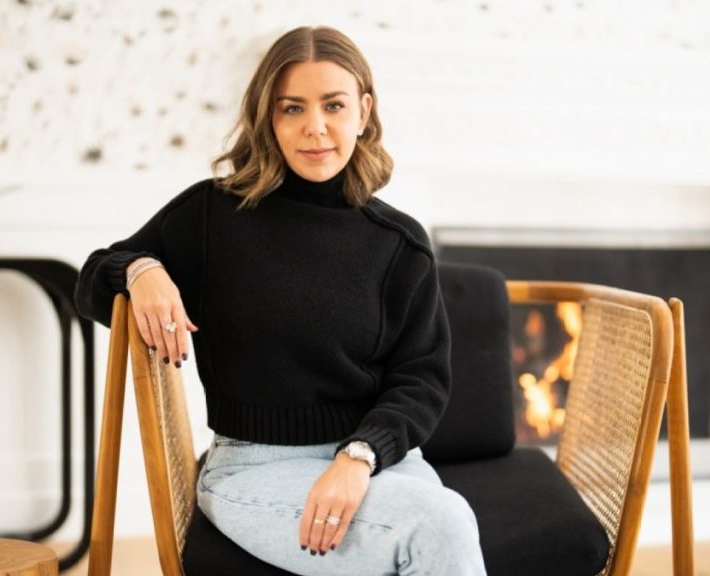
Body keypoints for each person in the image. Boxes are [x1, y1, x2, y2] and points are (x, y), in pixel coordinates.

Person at [75, 25, 487, 576]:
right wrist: (142, 268)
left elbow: (421, 380)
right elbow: (93, 280)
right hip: (253, 470)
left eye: (333, 106)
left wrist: (358, 456)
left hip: (377, 463)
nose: (314, 128)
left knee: (439, 523)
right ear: (268, 118)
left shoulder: (400, 243)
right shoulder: (212, 216)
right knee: (440, 526)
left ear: (363, 113)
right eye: (292, 108)